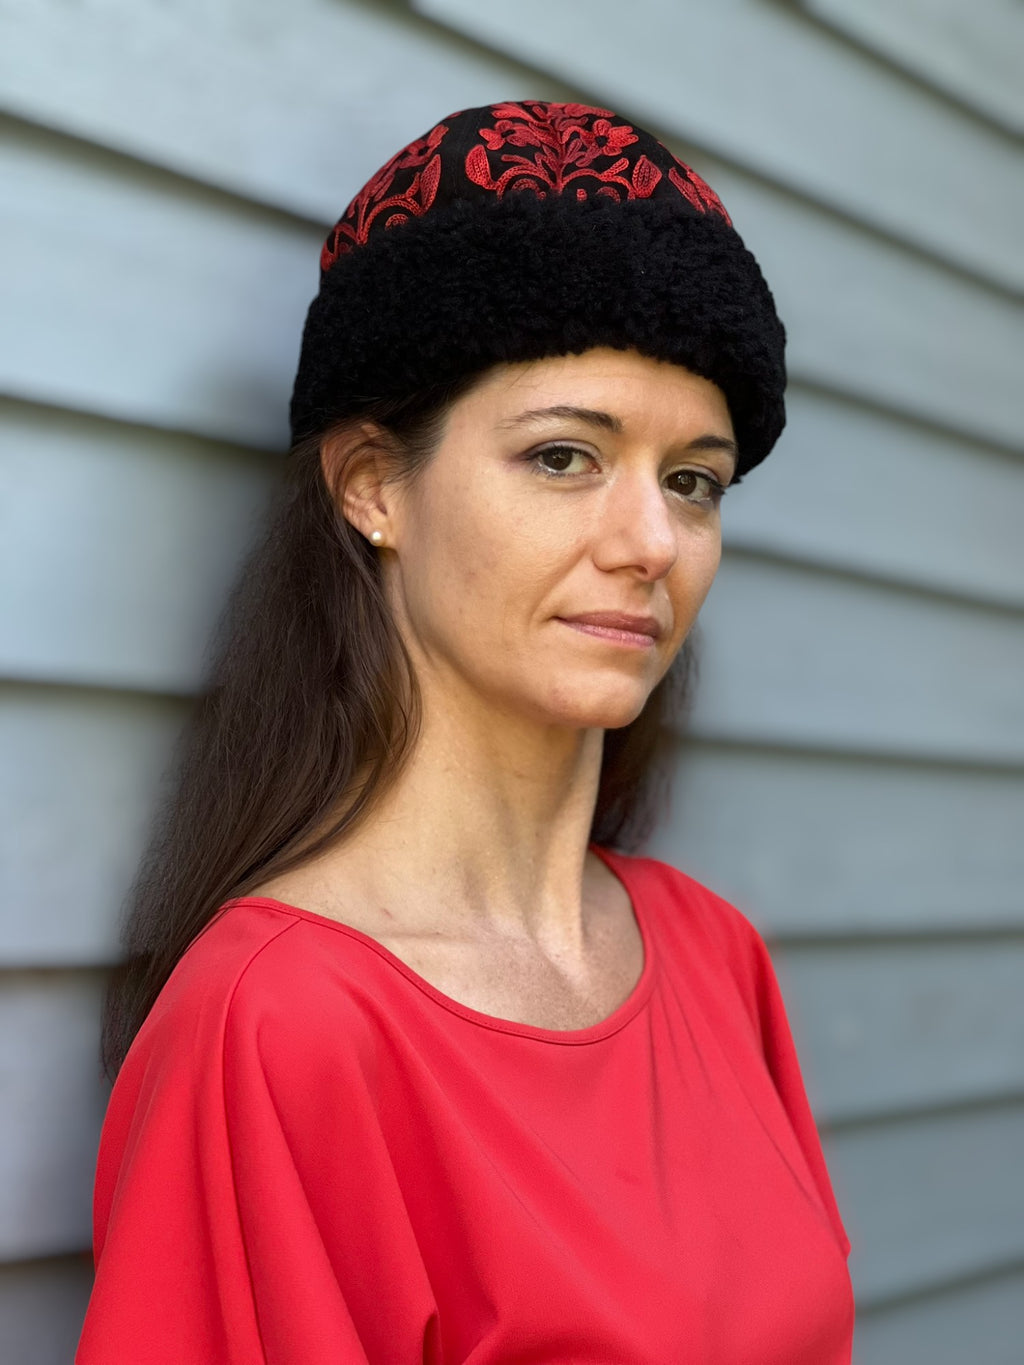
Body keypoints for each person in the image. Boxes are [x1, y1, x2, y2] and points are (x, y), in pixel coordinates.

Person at [76, 100, 855, 1362]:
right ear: (374, 486)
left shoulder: (711, 958)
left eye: (691, 480)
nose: (649, 542)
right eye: (563, 457)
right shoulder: (280, 1028)